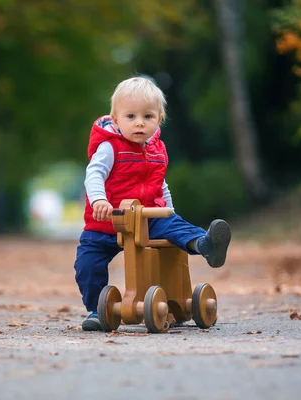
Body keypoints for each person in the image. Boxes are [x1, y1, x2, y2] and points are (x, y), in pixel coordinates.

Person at [74, 76, 231, 331]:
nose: (139, 123)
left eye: (147, 117)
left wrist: (169, 210)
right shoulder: (109, 147)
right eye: (131, 116)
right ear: (116, 120)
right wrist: (99, 200)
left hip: (149, 217)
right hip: (107, 221)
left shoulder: (158, 149)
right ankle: (96, 309)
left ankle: (205, 243)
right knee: (87, 265)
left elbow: (161, 184)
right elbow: (94, 174)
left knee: (176, 227)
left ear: (159, 120)